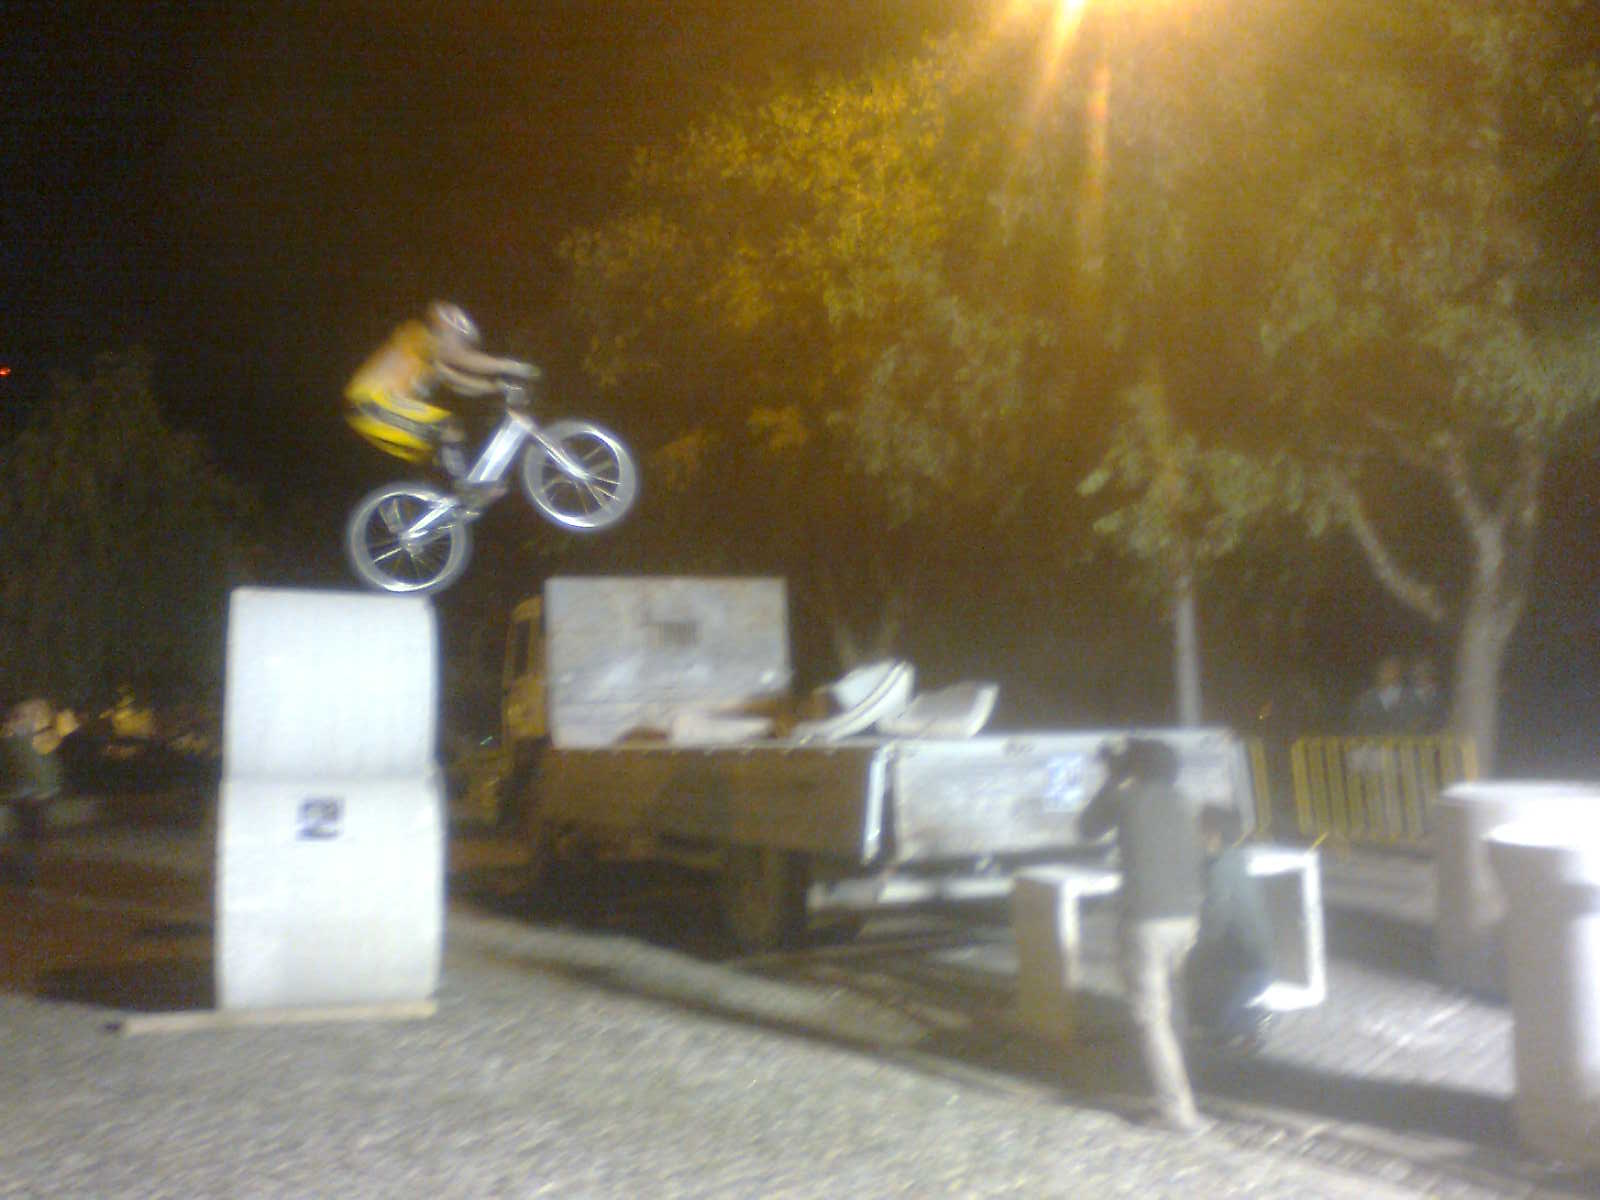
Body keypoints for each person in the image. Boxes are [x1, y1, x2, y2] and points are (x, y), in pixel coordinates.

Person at [1078, 737, 1209, 1133]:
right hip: (1187, 918)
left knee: (1152, 1018)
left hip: (1146, 921)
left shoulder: (1127, 799)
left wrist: (1112, 778)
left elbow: (1086, 828)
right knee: (1175, 1009)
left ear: (1136, 769)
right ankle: (1184, 1089)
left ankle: (1177, 1113)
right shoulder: (1186, 803)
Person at [344, 301, 542, 478]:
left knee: (439, 449)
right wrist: (511, 366)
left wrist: (497, 387)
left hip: (373, 410)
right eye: (460, 340)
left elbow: (460, 383)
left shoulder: (429, 361)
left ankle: (439, 496)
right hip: (372, 403)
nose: (461, 347)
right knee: (446, 426)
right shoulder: (417, 335)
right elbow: (460, 359)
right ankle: (464, 486)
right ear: (447, 328)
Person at [1186, 805, 1274, 1051]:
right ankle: (1224, 1021)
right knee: (1204, 1016)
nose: (1193, 834)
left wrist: (1193, 950)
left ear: (1212, 834)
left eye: (1198, 829)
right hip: (1252, 964)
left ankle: (1254, 1019)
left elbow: (1214, 924)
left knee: (1206, 1023)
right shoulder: (1234, 859)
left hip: (1244, 968)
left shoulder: (1220, 868)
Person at [2, 700, 63, 887]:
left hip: (29, 796)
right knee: (29, 838)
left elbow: (44, 766)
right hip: (28, 797)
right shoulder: (19, 738)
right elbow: (30, 767)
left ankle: (24, 875)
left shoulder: (27, 737)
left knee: (29, 838)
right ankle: (24, 876)